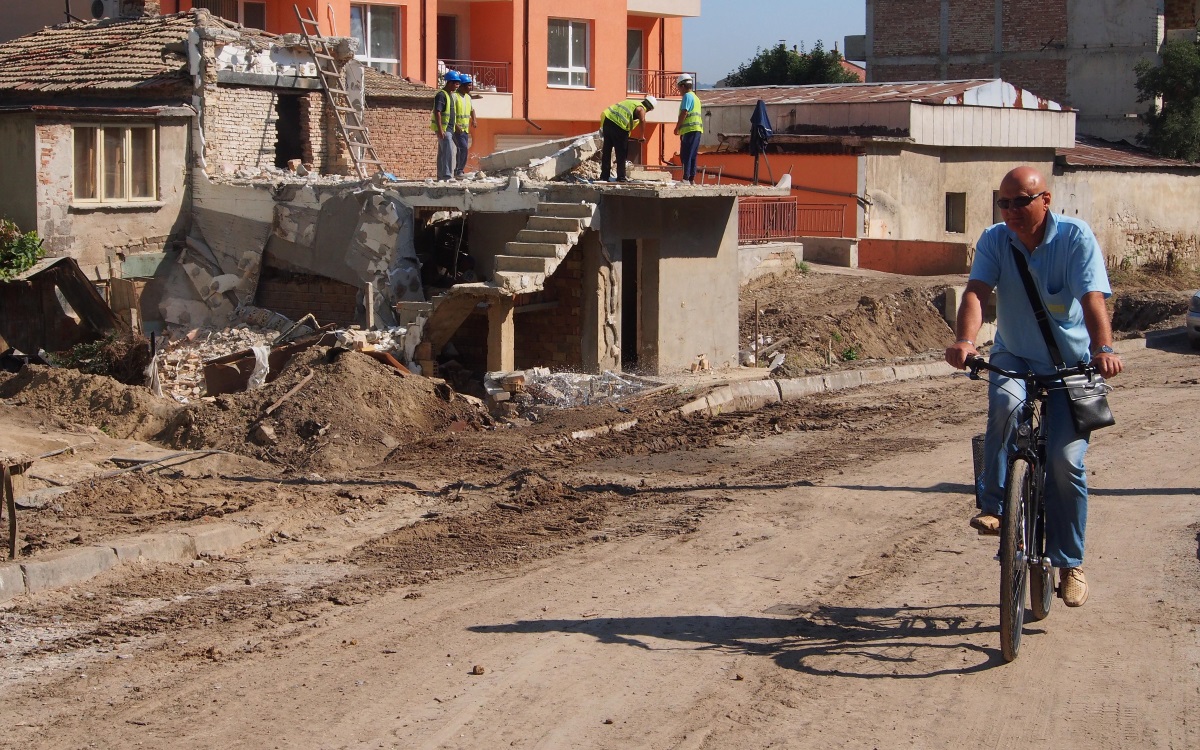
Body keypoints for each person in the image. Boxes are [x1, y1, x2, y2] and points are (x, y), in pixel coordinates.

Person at [945, 166, 1123, 608]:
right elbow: (976, 293)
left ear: (1045, 199)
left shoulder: (1075, 238)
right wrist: (965, 341)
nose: (1011, 211)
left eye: (1020, 201)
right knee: (1004, 404)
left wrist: (1104, 348)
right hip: (1015, 355)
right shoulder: (995, 239)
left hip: (1070, 366)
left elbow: (1092, 300)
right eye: (1003, 203)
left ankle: (1071, 563)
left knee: (1065, 463)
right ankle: (995, 508)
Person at [599, 96, 656, 182]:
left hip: (608, 121)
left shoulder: (631, 102)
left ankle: (604, 177)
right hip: (619, 126)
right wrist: (641, 136)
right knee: (621, 153)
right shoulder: (641, 108)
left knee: (607, 151)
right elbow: (642, 118)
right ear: (649, 108)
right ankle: (621, 178)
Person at [673, 74, 703, 184]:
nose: (678, 90)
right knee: (692, 155)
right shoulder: (696, 98)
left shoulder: (687, 97)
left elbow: (684, 112)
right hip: (697, 129)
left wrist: (677, 127)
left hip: (689, 130)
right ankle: (691, 179)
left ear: (682, 86)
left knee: (686, 155)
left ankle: (686, 178)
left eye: (678, 87)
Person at [431, 71, 459, 181]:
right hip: (444, 130)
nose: (457, 86)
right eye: (456, 83)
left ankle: (440, 176)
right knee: (448, 152)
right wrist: (440, 129)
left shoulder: (450, 95)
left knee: (443, 153)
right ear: (450, 83)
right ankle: (447, 175)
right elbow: (437, 112)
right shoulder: (441, 95)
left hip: (450, 129)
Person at [453, 74, 478, 179]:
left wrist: (474, 120)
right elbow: (451, 112)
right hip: (456, 129)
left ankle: (460, 170)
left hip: (465, 129)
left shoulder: (468, 97)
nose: (470, 88)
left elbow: (472, 110)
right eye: (468, 85)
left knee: (464, 149)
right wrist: (455, 124)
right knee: (462, 148)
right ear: (462, 86)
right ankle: (458, 170)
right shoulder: (454, 96)